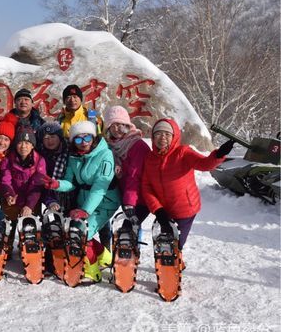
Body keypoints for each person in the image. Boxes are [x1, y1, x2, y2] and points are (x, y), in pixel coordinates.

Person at [141, 118, 232, 264]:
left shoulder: (182, 153)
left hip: (185, 209)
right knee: (164, 242)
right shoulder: (149, 158)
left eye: (167, 134)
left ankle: (175, 265)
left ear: (174, 136)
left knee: (174, 243)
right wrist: (158, 210)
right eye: (158, 134)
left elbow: (204, 164)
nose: (162, 137)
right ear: (153, 137)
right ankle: (173, 263)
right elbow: (146, 187)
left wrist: (218, 155)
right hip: (164, 211)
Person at [45, 121, 120, 283]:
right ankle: (104, 255)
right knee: (72, 229)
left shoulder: (105, 154)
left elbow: (100, 186)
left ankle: (93, 272)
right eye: (78, 139)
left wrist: (85, 211)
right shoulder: (74, 157)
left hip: (105, 200)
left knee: (81, 232)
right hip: (84, 199)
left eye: (87, 137)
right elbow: (70, 182)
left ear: (93, 138)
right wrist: (57, 184)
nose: (84, 142)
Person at [102, 106, 151, 238]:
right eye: (113, 125)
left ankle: (133, 254)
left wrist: (129, 203)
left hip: (141, 197)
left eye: (121, 125)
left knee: (128, 231)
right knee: (132, 229)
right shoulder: (111, 146)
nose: (117, 129)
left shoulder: (137, 145)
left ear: (128, 126)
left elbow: (134, 176)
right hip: (126, 195)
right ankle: (135, 254)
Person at [0, 128, 47, 254]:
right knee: (8, 227)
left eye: (27, 143)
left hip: (31, 200)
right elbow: (5, 180)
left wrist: (29, 205)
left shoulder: (40, 160)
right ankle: (6, 249)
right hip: (12, 199)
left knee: (29, 230)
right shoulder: (8, 159)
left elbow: (37, 184)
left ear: (32, 145)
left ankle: (26, 250)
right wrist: (8, 194)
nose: (23, 146)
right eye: (20, 143)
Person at [36, 121, 74, 214]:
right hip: (52, 201)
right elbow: (43, 182)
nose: (50, 141)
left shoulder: (71, 152)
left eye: (53, 137)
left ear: (60, 138)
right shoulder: (40, 156)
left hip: (73, 199)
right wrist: (50, 200)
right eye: (46, 138)